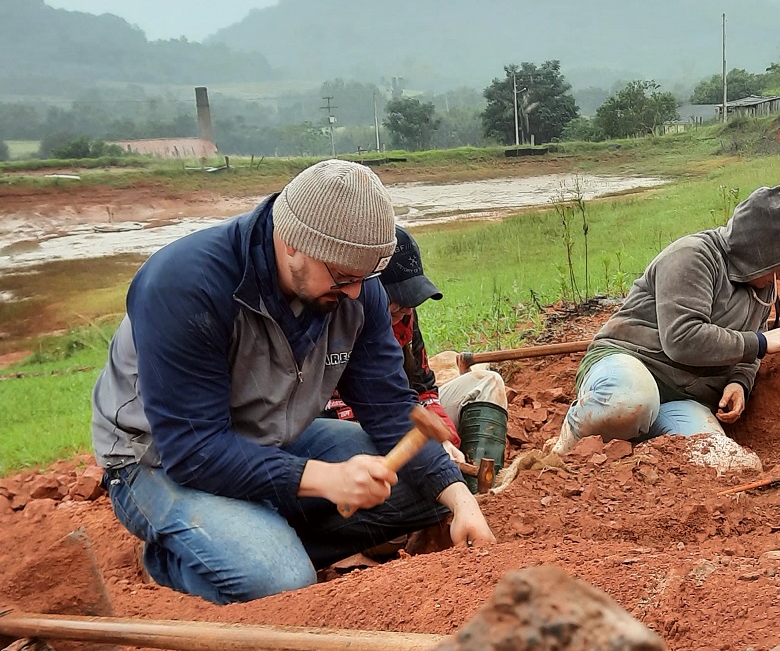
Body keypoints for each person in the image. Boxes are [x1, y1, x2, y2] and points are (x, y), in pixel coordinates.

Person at [92, 159, 495, 606]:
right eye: (344, 277)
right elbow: (194, 451)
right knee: (280, 582)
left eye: (365, 279)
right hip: (157, 461)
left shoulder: (355, 288)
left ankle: (255, 532)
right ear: (292, 244)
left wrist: (460, 500)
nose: (356, 294)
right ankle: (183, 558)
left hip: (270, 440)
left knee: (429, 491)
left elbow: (386, 404)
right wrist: (322, 478)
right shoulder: (185, 285)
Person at [551, 185, 780, 453]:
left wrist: (739, 382)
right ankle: (563, 450)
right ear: (760, 252)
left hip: (684, 396)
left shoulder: (762, 286)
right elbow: (683, 339)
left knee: (722, 461)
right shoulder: (693, 257)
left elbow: (749, 350)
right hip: (632, 362)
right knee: (628, 404)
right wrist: (760, 342)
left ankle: (629, 445)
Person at [323, 226, 509, 487]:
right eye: (396, 301)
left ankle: (479, 490)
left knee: (487, 383)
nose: (406, 309)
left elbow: (423, 390)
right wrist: (423, 444)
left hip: (404, 416)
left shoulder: (405, 318)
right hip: (364, 430)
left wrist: (444, 440)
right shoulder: (337, 320)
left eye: (411, 300)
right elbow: (350, 411)